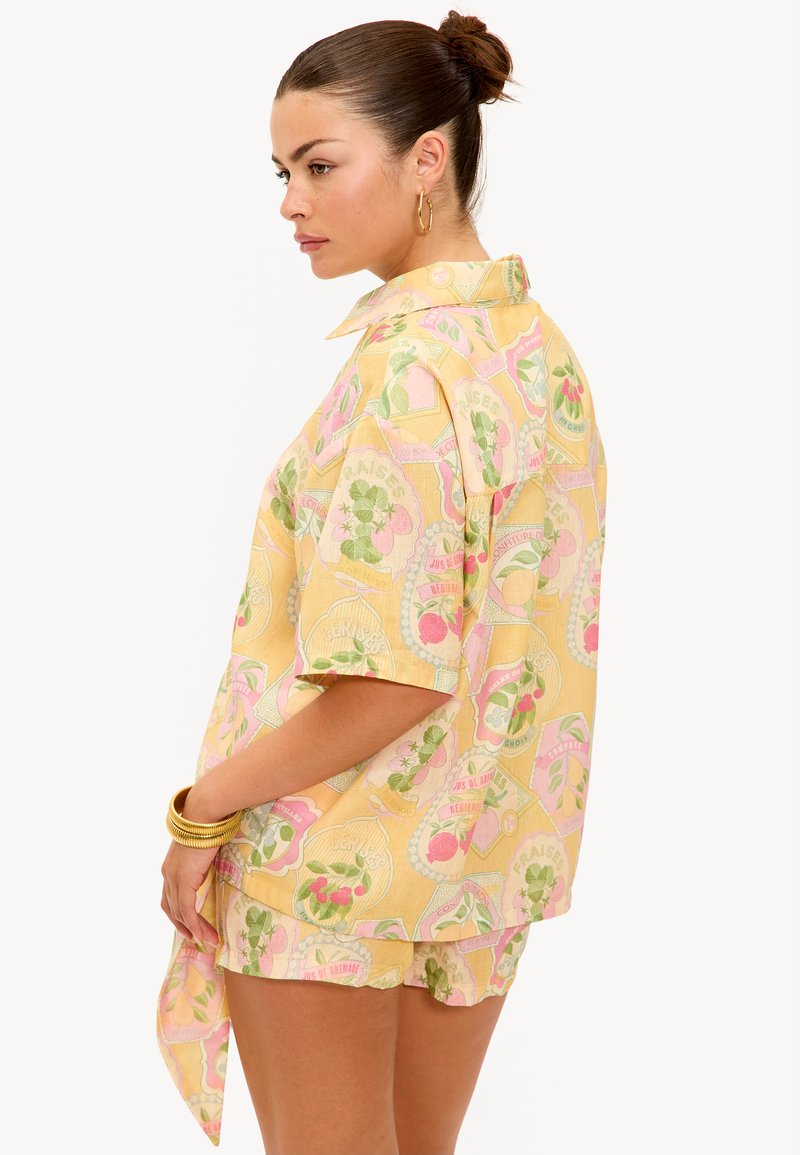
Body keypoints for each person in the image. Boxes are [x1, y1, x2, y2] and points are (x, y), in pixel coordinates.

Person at [156, 11, 608, 1153]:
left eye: (319, 165)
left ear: (426, 159)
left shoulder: (406, 375)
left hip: (329, 860)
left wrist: (202, 811)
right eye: (282, 172)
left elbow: (391, 679)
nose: (291, 203)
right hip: (477, 858)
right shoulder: (537, 353)